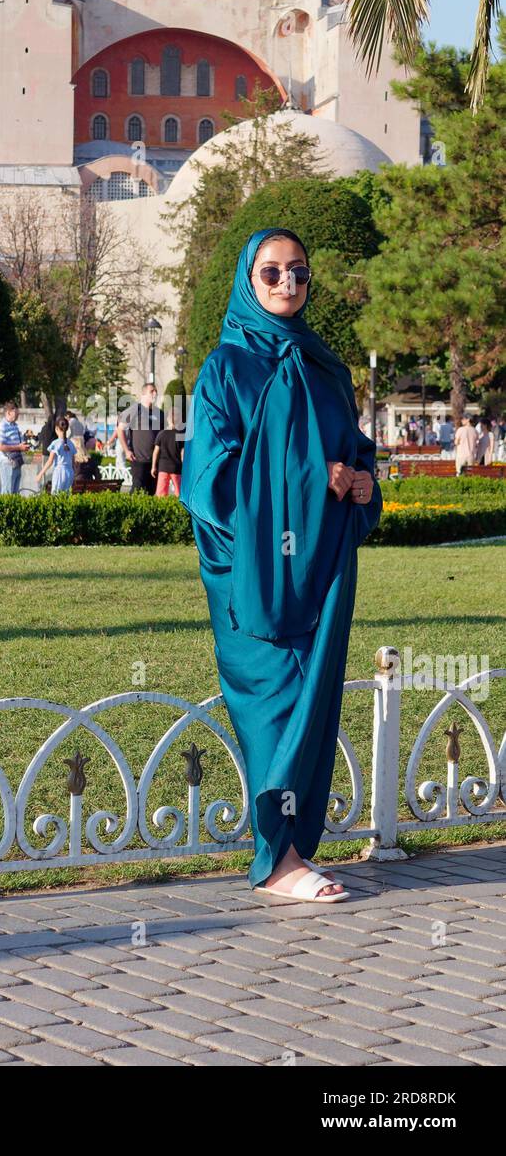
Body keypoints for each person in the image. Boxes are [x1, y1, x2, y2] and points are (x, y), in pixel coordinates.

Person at [180, 228, 382, 904]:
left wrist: (358, 482)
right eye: (272, 273)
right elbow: (208, 480)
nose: (287, 285)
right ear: (248, 280)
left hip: (319, 563)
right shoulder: (227, 368)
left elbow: (353, 447)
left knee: (312, 700)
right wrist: (307, 479)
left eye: (299, 272)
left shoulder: (324, 366)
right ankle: (277, 860)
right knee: (271, 701)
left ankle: (293, 848)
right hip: (254, 571)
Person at [117, 382, 164, 494]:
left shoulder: (159, 413)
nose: (155, 393)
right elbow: (120, 429)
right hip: (139, 459)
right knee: (138, 490)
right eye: (151, 391)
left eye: (156, 391)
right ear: (144, 394)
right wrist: (127, 450)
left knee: (152, 492)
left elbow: (164, 435)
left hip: (155, 461)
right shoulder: (135, 409)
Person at [0, 401, 29, 494]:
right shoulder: (1, 427)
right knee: (8, 491)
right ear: (8, 412)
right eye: (16, 413)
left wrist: (23, 446)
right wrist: (19, 447)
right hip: (7, 463)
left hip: (16, 461)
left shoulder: (15, 425)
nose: (18, 415)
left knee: (15, 491)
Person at [36, 416, 76, 493]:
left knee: (56, 496)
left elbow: (50, 461)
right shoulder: (71, 443)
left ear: (56, 429)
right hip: (70, 472)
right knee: (66, 496)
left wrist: (40, 474)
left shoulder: (55, 443)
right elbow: (73, 462)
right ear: (67, 429)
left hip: (59, 472)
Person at [151, 406, 185, 496]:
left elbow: (156, 452)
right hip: (176, 467)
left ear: (168, 419)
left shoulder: (161, 434)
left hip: (163, 467)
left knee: (161, 494)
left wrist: (153, 466)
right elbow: (183, 453)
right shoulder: (181, 435)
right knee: (179, 493)